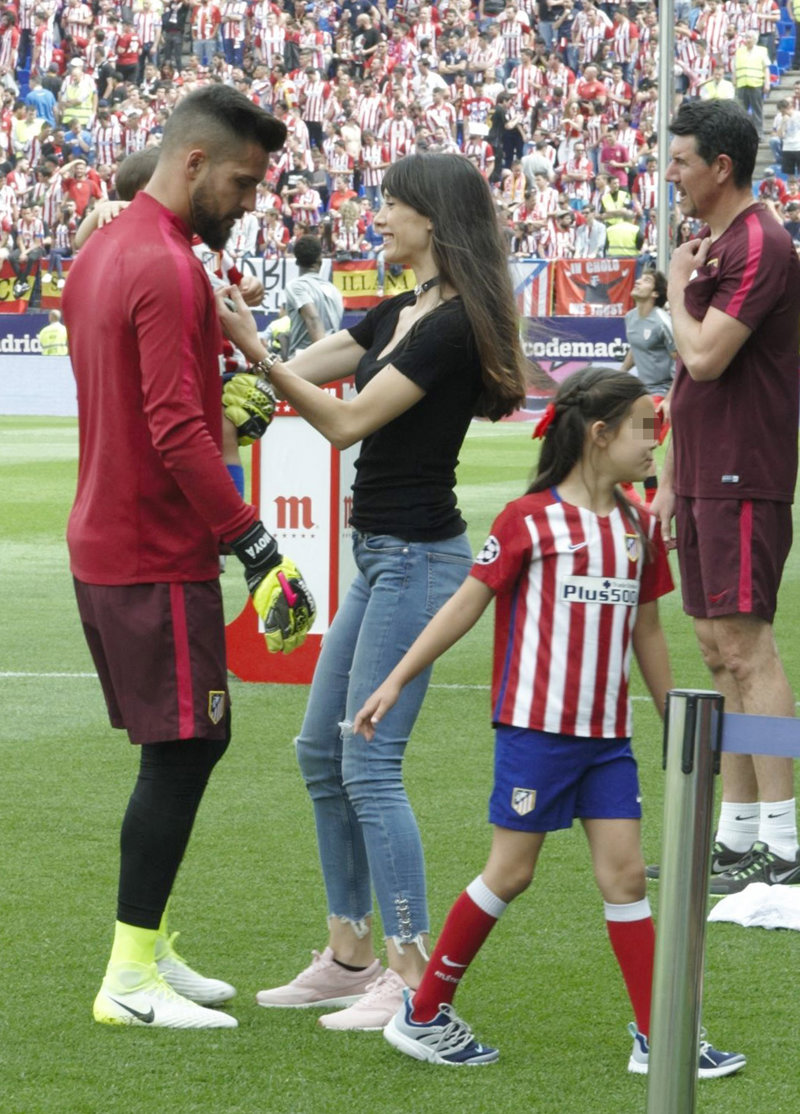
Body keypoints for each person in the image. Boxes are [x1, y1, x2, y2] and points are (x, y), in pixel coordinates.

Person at [352, 367, 745, 1077]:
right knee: (511, 872)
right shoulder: (528, 519)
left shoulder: (637, 526)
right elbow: (467, 603)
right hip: (534, 735)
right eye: (644, 428)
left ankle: (661, 1037)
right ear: (600, 434)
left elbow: (648, 630)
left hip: (608, 741)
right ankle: (424, 1013)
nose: (654, 443)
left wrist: (673, 718)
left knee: (627, 877)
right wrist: (395, 678)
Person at [217, 152, 528, 1032]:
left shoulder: (452, 326)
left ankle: (409, 971)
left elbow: (346, 419)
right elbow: (299, 366)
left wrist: (256, 353)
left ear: (433, 218)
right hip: (380, 559)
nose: (377, 217)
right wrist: (241, 334)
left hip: (421, 562)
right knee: (320, 753)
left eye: (391, 204)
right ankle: (350, 954)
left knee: (368, 762)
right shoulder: (398, 311)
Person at [62, 85, 315, 1031]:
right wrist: (256, 545)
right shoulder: (167, 265)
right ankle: (130, 977)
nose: (250, 202)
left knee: (179, 746)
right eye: (244, 183)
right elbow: (172, 430)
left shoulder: (103, 249)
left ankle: (152, 947)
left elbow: (149, 400)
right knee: (185, 748)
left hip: (110, 536)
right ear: (195, 161)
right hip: (152, 547)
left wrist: (218, 399)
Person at [655, 98, 800, 894]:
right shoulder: (718, 244)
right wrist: (671, 479)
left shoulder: (761, 244)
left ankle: (784, 840)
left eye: (681, 160)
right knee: (716, 649)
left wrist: (677, 285)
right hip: (704, 473)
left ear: (721, 166)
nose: (669, 173)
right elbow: (690, 384)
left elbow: (705, 358)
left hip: (744, 470)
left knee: (749, 648)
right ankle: (739, 837)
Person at [620, 269, 676, 504]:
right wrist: (619, 374)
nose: (638, 281)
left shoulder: (662, 321)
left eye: (646, 280)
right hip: (642, 394)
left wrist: (670, 399)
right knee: (632, 448)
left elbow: (681, 359)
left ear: (655, 293)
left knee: (639, 444)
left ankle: (650, 503)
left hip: (662, 393)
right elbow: (636, 349)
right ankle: (642, 506)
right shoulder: (630, 317)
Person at [283, 234, 345, 358]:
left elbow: (313, 319)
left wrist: (321, 358)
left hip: (307, 358)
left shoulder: (296, 286)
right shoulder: (335, 290)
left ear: (297, 260)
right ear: (320, 260)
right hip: (332, 358)